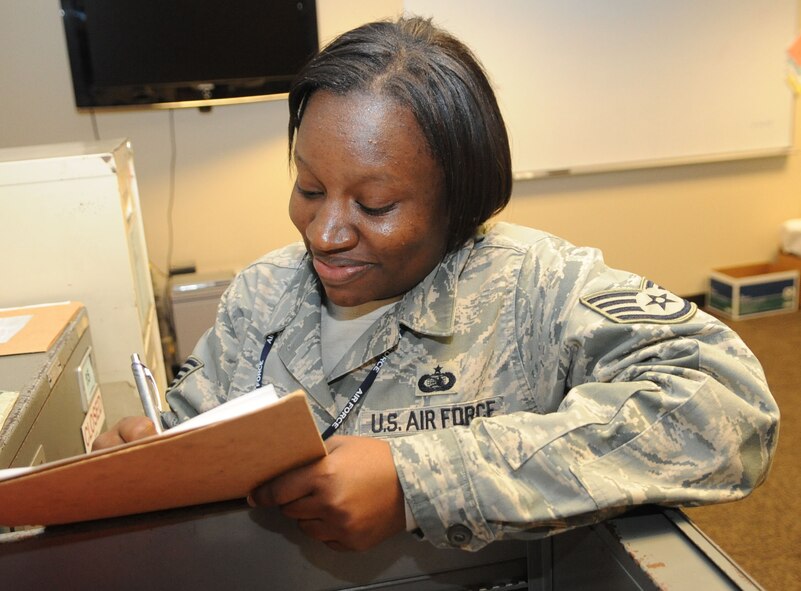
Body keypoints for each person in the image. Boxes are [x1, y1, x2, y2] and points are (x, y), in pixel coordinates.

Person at [95, 16, 779, 553]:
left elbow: (727, 408)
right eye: (308, 187)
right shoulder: (262, 294)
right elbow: (192, 430)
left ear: (459, 200)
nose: (324, 232)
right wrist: (147, 456)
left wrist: (418, 480)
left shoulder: (534, 287)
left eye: (375, 204)